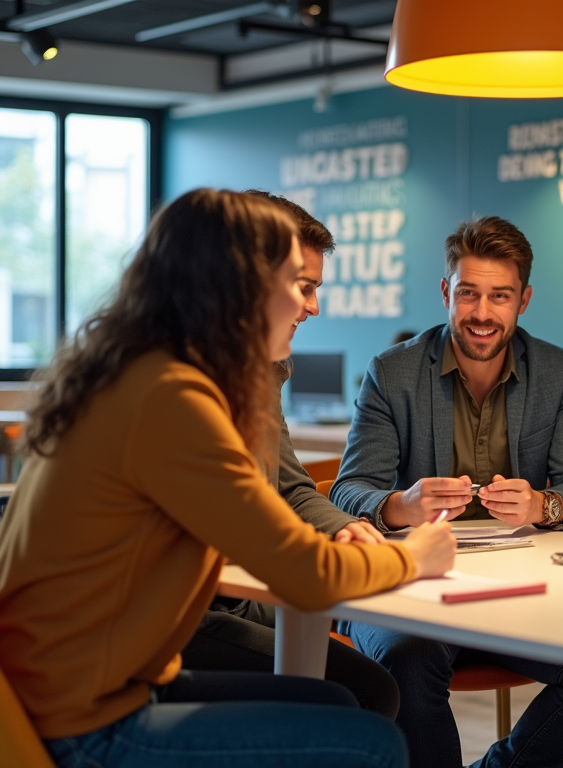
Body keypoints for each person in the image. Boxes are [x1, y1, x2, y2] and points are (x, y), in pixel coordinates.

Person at [0, 189, 456, 768]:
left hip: (82, 685)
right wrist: (415, 556)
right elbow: (305, 577)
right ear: (239, 286)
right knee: (372, 741)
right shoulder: (173, 399)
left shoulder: (137, 374)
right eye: (296, 282)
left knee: (341, 700)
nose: (308, 306)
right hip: (85, 720)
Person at [332, 215, 563, 768]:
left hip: (515, 594)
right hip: (408, 593)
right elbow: (347, 491)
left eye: (500, 296)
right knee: (408, 660)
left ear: (523, 300)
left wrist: (543, 504)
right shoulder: (392, 372)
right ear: (446, 292)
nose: (483, 314)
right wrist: (400, 505)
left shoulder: (557, 371)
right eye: (469, 294)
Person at [180, 190, 401, 718]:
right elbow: (241, 526)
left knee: (385, 675)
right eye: (304, 287)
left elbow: (292, 487)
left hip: (225, 597)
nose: (314, 307)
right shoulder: (179, 383)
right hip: (172, 616)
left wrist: (341, 528)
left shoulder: (260, 368)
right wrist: (403, 558)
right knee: (364, 695)